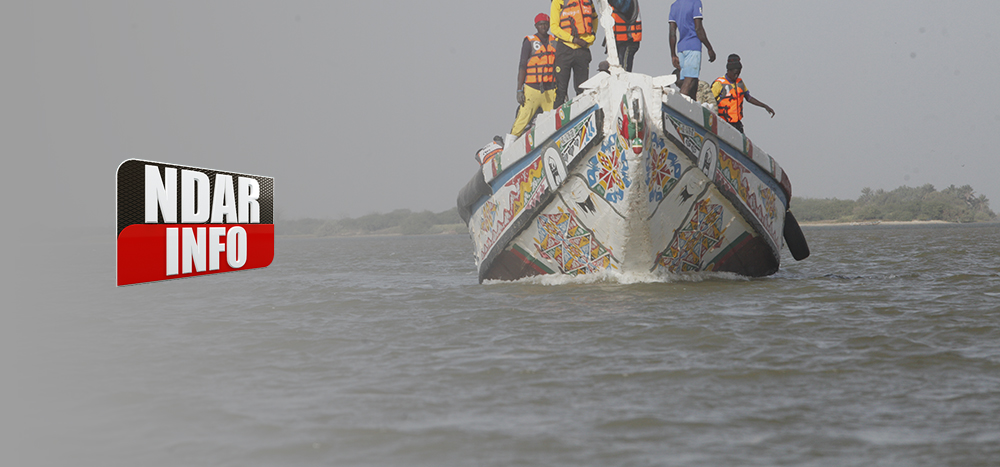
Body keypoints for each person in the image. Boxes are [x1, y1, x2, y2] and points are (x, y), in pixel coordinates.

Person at [511, 14, 558, 137]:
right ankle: (510, 145)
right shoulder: (529, 42)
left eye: (546, 24)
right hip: (532, 88)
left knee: (554, 120)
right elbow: (522, 66)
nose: (544, 26)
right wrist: (519, 89)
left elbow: (560, 67)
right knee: (522, 119)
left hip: (551, 88)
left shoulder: (555, 41)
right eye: (541, 24)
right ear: (536, 26)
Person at [550, 0, 599, 106]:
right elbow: (554, 27)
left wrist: (592, 37)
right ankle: (557, 117)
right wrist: (573, 39)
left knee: (582, 87)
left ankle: (581, 111)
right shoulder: (558, 2)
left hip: (582, 49)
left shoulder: (588, 1)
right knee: (561, 89)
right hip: (565, 49)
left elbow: (595, 18)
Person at [711, 54, 774, 134]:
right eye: (735, 73)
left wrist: (765, 106)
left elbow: (749, 98)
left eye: (739, 73)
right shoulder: (719, 83)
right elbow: (709, 100)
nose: (736, 76)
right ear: (729, 70)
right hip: (723, 122)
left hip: (737, 124)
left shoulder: (740, 83)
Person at [669, 0, 716, 100]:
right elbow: (698, 28)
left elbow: (672, 33)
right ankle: (679, 105)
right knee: (689, 82)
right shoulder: (695, 3)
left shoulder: (674, 6)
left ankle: (692, 109)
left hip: (681, 48)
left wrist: (673, 54)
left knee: (693, 81)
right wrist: (710, 48)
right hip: (693, 46)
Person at [608, 0, 641, 72]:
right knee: (618, 70)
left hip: (627, 41)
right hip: (621, 41)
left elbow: (624, 7)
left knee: (623, 73)